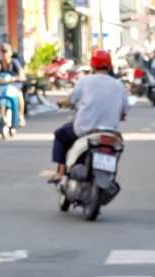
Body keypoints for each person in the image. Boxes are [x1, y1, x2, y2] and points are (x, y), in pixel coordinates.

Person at [48, 49, 128, 182]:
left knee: (60, 135)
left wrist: (61, 102)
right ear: (109, 65)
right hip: (110, 133)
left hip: (85, 130)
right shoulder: (119, 86)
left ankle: (61, 172)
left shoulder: (84, 81)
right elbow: (124, 111)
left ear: (92, 65)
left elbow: (71, 101)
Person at [0, 42, 24, 131]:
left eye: (6, 52)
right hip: (0, 87)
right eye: (3, 52)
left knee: (19, 95)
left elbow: (21, 74)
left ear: (10, 52)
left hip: (13, 86)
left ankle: (21, 116)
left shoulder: (15, 63)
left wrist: (16, 78)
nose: (4, 54)